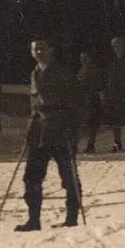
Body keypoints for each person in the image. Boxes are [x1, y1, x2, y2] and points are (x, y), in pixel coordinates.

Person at [14, 38, 84, 232]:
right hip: (39, 132)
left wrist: (72, 130)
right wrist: (30, 129)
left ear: (51, 50)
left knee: (68, 177)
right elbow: (33, 105)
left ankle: (72, 219)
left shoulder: (63, 73)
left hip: (60, 131)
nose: (38, 52)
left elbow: (77, 103)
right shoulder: (34, 73)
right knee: (32, 177)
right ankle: (33, 220)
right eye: (35, 49)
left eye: (42, 48)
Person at [77, 49, 105, 154]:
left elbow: (97, 85)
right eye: (81, 58)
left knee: (92, 124)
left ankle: (91, 145)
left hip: (92, 99)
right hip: (83, 100)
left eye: (85, 58)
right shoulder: (81, 70)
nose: (83, 60)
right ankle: (86, 145)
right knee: (84, 124)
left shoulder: (93, 70)